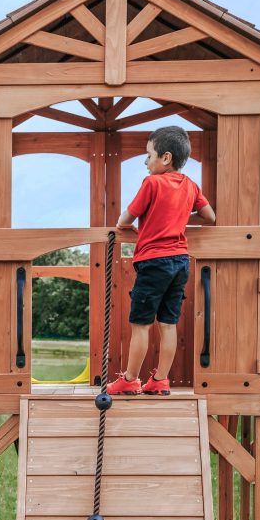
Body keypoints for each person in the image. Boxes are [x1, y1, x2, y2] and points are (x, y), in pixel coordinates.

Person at [107, 126, 216, 396]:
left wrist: (143, 225)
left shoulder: (152, 183)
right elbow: (209, 217)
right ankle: (160, 380)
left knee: (141, 324)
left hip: (154, 262)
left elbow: (124, 221)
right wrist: (178, 220)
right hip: (180, 262)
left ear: (165, 158)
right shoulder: (190, 185)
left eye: (148, 156)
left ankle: (131, 379)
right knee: (168, 324)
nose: (146, 162)